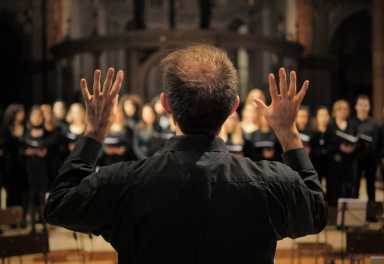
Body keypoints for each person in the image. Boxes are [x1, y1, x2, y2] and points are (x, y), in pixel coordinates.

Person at [45, 45, 327, 264]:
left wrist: (95, 132)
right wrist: (288, 134)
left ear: (166, 104)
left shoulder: (123, 182)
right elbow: (316, 212)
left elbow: (59, 204)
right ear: (233, 107)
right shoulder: (271, 183)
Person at [2, 104, 29, 226]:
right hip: (10, 164)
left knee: (23, 192)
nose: (23, 115)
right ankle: (12, 219)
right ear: (14, 114)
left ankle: (22, 218)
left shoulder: (26, 127)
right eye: (20, 113)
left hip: (24, 164)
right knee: (11, 192)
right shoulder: (5, 129)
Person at [24, 106, 50, 232]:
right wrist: (26, 152)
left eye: (39, 116)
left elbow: (52, 145)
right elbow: (21, 147)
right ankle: (32, 225)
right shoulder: (26, 131)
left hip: (42, 166)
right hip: (30, 166)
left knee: (42, 195)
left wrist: (45, 151)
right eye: (34, 115)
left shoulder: (46, 131)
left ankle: (44, 223)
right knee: (32, 194)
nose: (36, 118)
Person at [327, 100, 358, 206]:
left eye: (345, 109)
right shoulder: (330, 125)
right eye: (340, 109)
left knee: (348, 187)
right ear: (335, 111)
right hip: (335, 162)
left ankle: (347, 215)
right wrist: (339, 147)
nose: (343, 111)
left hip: (348, 162)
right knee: (334, 188)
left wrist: (352, 148)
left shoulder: (352, 125)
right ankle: (334, 214)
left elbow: (355, 141)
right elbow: (327, 143)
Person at [352, 95, 380, 202]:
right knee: (354, 186)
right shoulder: (351, 122)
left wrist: (378, 157)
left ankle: (371, 215)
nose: (363, 108)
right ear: (356, 106)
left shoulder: (376, 124)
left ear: (369, 107)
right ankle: (354, 215)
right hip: (355, 159)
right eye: (361, 105)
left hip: (371, 160)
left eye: (365, 105)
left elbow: (380, 142)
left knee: (371, 187)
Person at [310, 106, 331, 184]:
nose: (324, 118)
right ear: (317, 117)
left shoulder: (331, 133)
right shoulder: (312, 134)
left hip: (329, 165)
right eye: (321, 115)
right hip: (316, 165)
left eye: (326, 115)